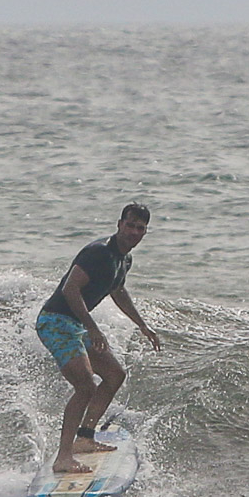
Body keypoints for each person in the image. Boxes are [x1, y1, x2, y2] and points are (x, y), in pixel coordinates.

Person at [35, 203, 162, 474]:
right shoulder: (99, 253)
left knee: (115, 375)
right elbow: (70, 289)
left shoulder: (123, 259)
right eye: (130, 225)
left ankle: (85, 437)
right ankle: (63, 457)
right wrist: (93, 328)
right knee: (85, 386)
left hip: (75, 325)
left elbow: (117, 290)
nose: (134, 232)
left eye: (140, 228)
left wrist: (143, 326)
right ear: (119, 224)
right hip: (55, 322)